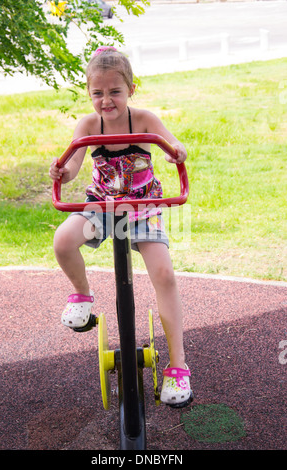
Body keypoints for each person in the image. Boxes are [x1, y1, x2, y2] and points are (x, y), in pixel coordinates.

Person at [49, 46, 193, 407]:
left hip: (143, 205)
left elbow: (171, 145)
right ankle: (82, 295)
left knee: (164, 274)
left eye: (115, 91)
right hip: (101, 203)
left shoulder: (143, 120)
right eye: (98, 93)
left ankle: (178, 366)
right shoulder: (87, 126)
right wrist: (61, 172)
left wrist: (176, 152)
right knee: (63, 240)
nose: (106, 100)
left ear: (130, 89)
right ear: (89, 94)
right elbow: (73, 166)